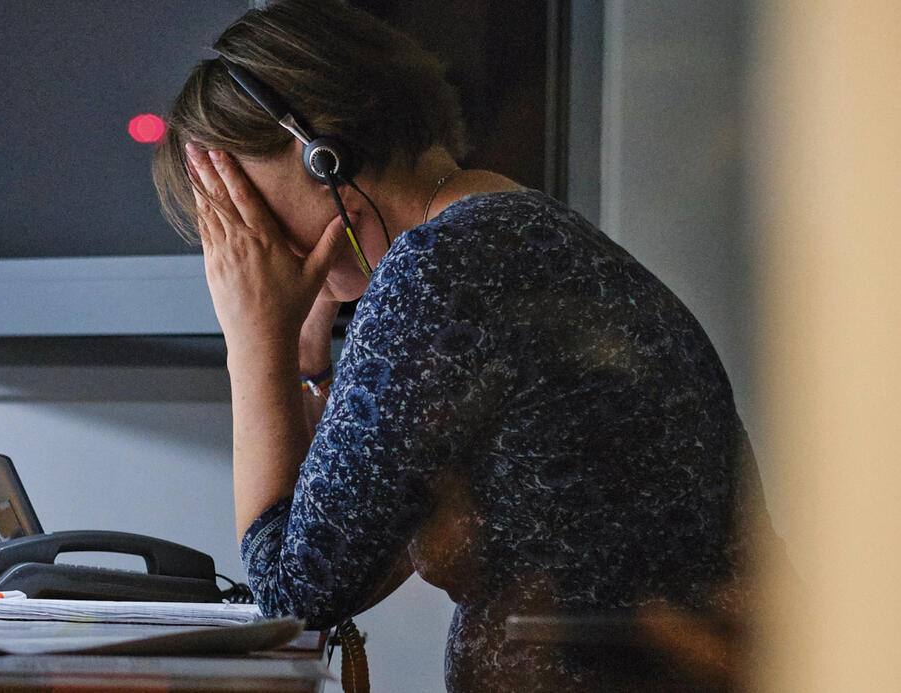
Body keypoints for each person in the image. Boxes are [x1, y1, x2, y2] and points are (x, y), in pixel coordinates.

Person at [150, 1, 768, 690]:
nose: (241, 240)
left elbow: (295, 595)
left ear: (321, 154)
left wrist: (251, 340)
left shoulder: (441, 268)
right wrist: (301, 359)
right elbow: (352, 542)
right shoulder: (509, 233)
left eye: (238, 203)